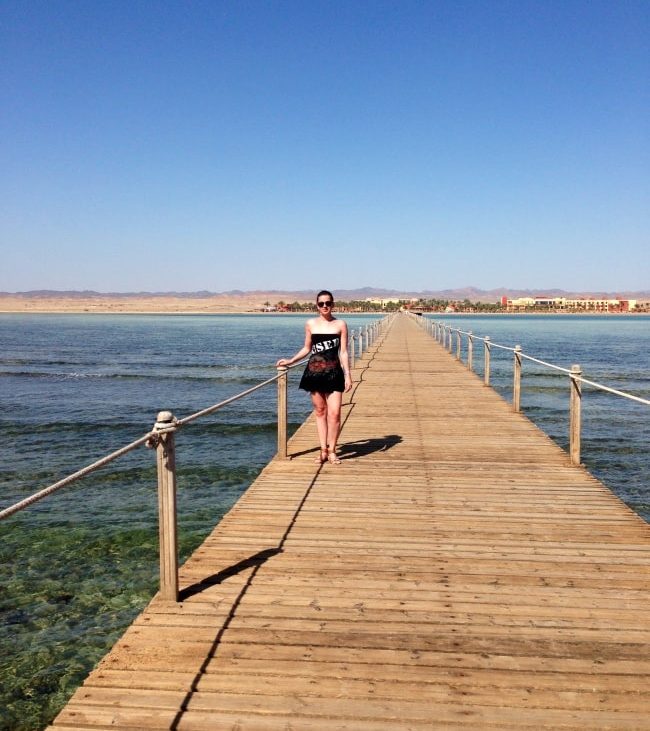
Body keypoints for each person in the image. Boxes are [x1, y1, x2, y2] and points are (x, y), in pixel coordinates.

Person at [276, 290, 352, 464]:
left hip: (334, 373)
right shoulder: (311, 323)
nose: (324, 306)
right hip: (315, 371)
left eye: (328, 303)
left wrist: (348, 374)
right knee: (320, 411)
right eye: (321, 304)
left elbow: (344, 352)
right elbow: (307, 348)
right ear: (317, 306)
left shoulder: (340, 324)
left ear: (333, 304)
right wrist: (290, 360)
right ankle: (323, 450)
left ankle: (333, 450)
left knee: (335, 414)